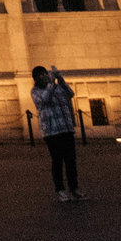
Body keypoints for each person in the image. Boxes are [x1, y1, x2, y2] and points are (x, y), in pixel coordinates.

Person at [30, 65, 82, 202]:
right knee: (57, 161)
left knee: (71, 161)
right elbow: (44, 100)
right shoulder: (35, 91)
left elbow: (70, 94)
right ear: (36, 78)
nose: (44, 76)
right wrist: (52, 83)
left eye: (45, 73)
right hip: (51, 131)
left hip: (65, 128)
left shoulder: (57, 87)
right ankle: (60, 190)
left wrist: (60, 79)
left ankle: (74, 189)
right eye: (41, 75)